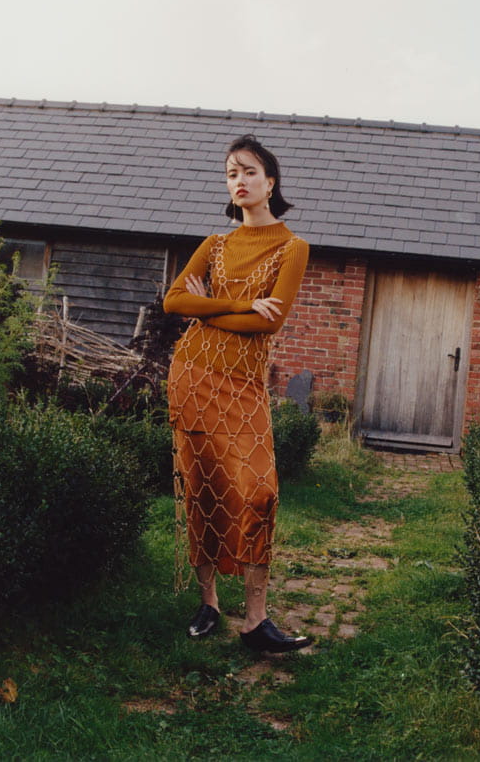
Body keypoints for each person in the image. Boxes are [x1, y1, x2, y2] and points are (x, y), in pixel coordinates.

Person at [163, 134, 311, 653]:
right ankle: (209, 602)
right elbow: (173, 301)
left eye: (249, 171)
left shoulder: (293, 248)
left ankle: (256, 621)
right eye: (231, 173)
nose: (239, 181)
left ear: (271, 182)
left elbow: (268, 327)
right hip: (194, 375)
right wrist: (244, 304)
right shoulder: (215, 244)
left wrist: (213, 306)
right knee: (202, 491)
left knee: (258, 492)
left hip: (243, 387)